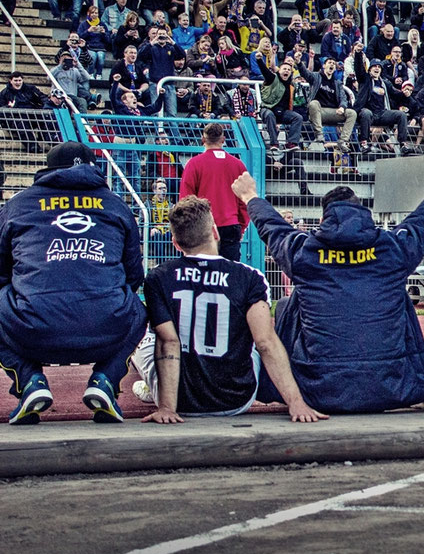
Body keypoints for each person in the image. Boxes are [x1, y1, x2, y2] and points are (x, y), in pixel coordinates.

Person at [233, 159, 424, 413]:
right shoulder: (391, 248)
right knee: (396, 292)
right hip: (393, 387)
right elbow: (423, 221)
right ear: (363, 213)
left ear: (324, 218)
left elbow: (273, 228)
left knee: (291, 301)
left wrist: (250, 195)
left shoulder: (305, 252)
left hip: (316, 388)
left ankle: (283, 386)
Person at [133, 197, 326, 424]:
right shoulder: (250, 277)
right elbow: (266, 343)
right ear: (215, 232)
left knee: (147, 342)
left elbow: (169, 343)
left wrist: (167, 408)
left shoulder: (158, 277)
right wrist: (296, 403)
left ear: (176, 243)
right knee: (257, 339)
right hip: (236, 401)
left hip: (180, 403)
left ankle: (152, 388)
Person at [0, 142, 147, 424]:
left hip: (32, 329)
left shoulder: (18, 205)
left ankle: (29, 379)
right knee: (138, 309)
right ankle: (105, 380)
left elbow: (1, 272)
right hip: (106, 326)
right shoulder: (116, 204)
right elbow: (134, 277)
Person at [179, 123, 250, 260]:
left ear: (203, 140)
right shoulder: (238, 165)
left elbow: (186, 200)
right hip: (230, 224)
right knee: (228, 273)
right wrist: (241, 225)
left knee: (204, 275)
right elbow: (245, 199)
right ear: (223, 140)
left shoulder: (194, 164)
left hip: (203, 226)